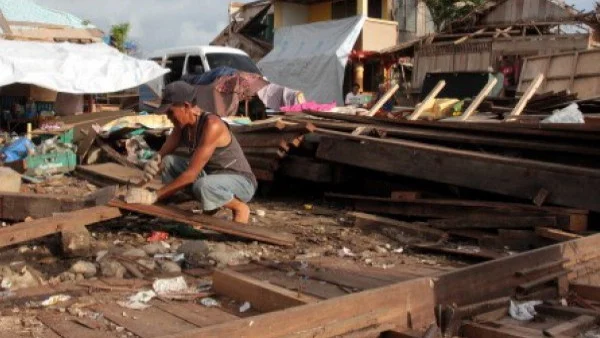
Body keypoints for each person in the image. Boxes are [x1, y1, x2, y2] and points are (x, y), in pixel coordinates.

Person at [125, 81, 257, 224]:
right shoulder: (181, 127)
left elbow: (190, 175)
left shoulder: (212, 125)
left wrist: (153, 196)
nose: (168, 117)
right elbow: (162, 156)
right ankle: (174, 205)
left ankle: (239, 207)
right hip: (213, 177)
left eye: (170, 112)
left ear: (186, 106)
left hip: (241, 181)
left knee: (202, 185)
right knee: (168, 162)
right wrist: (151, 166)